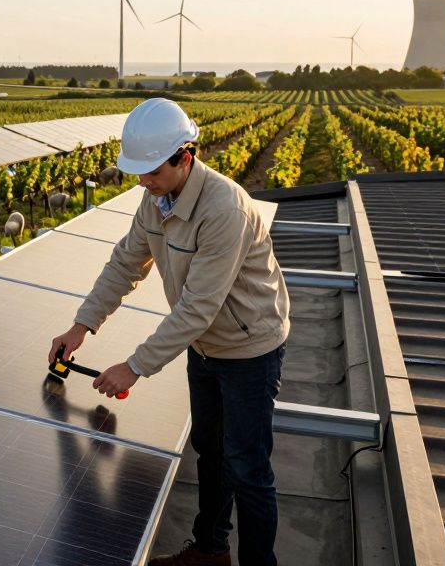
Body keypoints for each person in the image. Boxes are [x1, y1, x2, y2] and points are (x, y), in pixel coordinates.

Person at [47, 98, 290, 566]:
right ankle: (211, 549)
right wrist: (82, 326)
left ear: (185, 156)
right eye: (137, 172)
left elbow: (199, 307)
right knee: (210, 451)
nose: (142, 181)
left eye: (151, 171)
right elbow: (125, 262)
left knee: (247, 467)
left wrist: (134, 367)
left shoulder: (225, 209)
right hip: (204, 346)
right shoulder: (156, 198)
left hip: (248, 349)